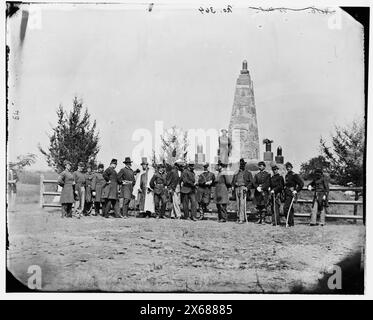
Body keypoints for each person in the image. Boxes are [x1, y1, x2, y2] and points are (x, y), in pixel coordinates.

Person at [232, 158, 253, 223]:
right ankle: (238, 217)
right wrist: (233, 186)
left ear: (245, 165)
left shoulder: (248, 173)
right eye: (240, 165)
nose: (241, 166)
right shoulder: (236, 173)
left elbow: (251, 182)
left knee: (242, 203)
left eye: (243, 165)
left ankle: (242, 218)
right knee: (238, 204)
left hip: (243, 188)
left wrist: (247, 187)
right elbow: (232, 181)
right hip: (237, 188)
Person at [283, 162, 304, 227]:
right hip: (286, 193)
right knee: (290, 208)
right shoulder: (286, 175)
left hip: (291, 193)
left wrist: (296, 190)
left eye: (289, 167)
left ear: (291, 167)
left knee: (286, 208)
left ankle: (289, 222)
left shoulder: (294, 175)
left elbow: (301, 184)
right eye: (287, 167)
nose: (288, 168)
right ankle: (291, 223)